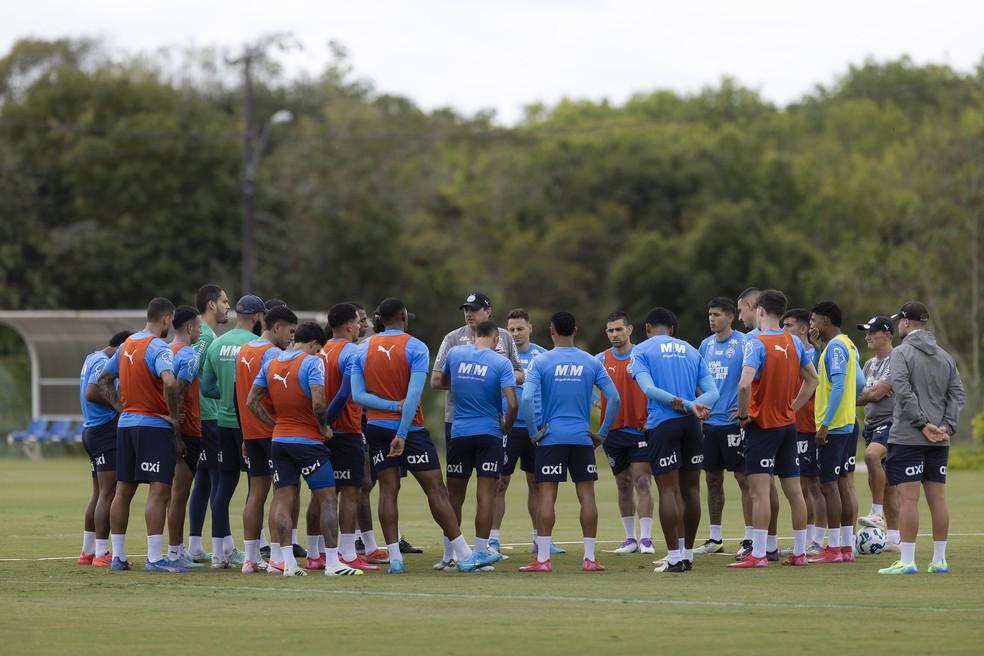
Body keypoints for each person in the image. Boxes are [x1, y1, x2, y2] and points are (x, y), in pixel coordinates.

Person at [352, 298, 477, 574]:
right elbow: (412, 396)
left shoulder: (361, 349)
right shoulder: (416, 346)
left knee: (387, 490)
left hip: (375, 427)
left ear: (379, 321)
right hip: (410, 429)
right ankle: (465, 555)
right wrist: (402, 431)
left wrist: (386, 407)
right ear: (404, 317)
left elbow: (357, 395)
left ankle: (395, 559)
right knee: (436, 489)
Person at [247, 322, 362, 576]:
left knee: (283, 499)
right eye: (318, 349)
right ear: (312, 344)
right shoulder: (312, 363)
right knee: (328, 498)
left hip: (279, 442)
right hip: (308, 443)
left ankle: (287, 563)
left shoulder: (271, 363)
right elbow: (319, 403)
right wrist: (323, 427)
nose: (319, 353)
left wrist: (274, 424)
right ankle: (332, 563)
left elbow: (251, 401)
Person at [518, 311, 620, 573]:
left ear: (551, 331)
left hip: (551, 437)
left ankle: (542, 559)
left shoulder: (541, 362)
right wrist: (603, 433)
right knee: (586, 495)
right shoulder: (590, 362)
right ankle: (589, 558)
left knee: (547, 495)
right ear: (575, 330)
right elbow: (614, 398)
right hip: (581, 437)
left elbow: (527, 399)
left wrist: (532, 432)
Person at [431, 291, 524, 565]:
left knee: (489, 491)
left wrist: (484, 374)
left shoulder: (504, 338)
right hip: (460, 421)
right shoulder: (452, 339)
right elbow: (437, 380)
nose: (469, 314)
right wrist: (477, 378)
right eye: (465, 310)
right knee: (457, 492)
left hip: (478, 424)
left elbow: (519, 372)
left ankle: (479, 549)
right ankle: (451, 554)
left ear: (488, 312)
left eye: (474, 309)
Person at [729, 290, 818, 569]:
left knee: (759, 492)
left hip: (763, 426)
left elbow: (744, 384)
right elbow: (812, 380)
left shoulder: (754, 341)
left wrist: (744, 415)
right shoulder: (793, 341)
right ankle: (801, 552)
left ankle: (757, 554)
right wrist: (792, 406)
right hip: (788, 426)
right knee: (794, 491)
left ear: (759, 310)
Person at [97, 297, 186, 572]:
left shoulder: (126, 346)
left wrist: (120, 407)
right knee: (159, 491)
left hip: (126, 426)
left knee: (123, 491)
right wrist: (173, 416)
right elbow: (170, 381)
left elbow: (103, 379)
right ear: (166, 319)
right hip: (152, 427)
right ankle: (155, 558)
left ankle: (118, 558)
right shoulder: (158, 347)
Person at [630, 308, 718, 573]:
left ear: (648, 328)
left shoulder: (642, 350)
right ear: (673, 329)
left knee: (668, 490)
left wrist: (679, 403)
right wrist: (692, 405)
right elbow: (713, 393)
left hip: (662, 424)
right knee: (692, 490)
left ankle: (674, 557)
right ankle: (688, 555)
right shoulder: (692, 351)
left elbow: (648, 389)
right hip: (692, 425)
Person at [879, 302, 964, 575]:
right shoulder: (945, 356)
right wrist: (946, 427)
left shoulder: (901, 353)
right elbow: (957, 394)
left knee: (908, 501)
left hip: (908, 435)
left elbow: (902, 391)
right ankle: (939, 560)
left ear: (905, 323)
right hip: (940, 439)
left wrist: (922, 424)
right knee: (937, 499)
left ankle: (907, 560)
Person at [201, 294, 267, 568]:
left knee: (223, 487)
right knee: (258, 487)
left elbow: (206, 388)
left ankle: (217, 555)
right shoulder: (257, 345)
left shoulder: (218, 344)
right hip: (250, 425)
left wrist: (227, 395)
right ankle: (257, 552)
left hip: (222, 423)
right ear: (257, 317)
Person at [318, 303, 380, 572]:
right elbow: (345, 394)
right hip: (345, 430)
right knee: (352, 493)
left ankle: (315, 552)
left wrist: (318, 425)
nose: (359, 326)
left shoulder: (320, 350)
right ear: (347, 325)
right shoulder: (352, 351)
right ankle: (347, 552)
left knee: (322, 494)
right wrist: (326, 422)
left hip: (322, 433)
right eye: (357, 322)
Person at [235, 305, 297, 573]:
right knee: (281, 494)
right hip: (272, 432)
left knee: (255, 493)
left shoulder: (244, 350)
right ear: (276, 328)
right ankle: (276, 557)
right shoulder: (274, 354)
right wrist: (277, 424)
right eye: (290, 332)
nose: (291, 338)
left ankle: (250, 559)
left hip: (250, 431)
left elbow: (239, 397)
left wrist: (245, 435)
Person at [492, 308, 558, 556]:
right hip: (508, 428)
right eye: (511, 330)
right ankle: (494, 538)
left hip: (538, 428)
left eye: (520, 328)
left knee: (538, 484)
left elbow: (553, 390)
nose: (516, 333)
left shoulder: (543, 356)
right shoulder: (499, 357)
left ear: (530, 328)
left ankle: (540, 539)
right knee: (500, 482)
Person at [808, 301, 865, 564]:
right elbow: (860, 382)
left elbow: (841, 386)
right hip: (848, 424)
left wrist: (826, 424)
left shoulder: (836, 348)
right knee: (840, 485)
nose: (812, 325)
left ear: (827, 321)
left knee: (828, 486)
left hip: (835, 428)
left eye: (814, 320)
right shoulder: (848, 345)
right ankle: (845, 547)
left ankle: (835, 549)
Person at [694, 298, 749, 556]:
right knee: (712, 479)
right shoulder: (704, 345)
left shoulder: (744, 343)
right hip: (709, 424)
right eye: (709, 314)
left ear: (730, 316)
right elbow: (696, 380)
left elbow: (755, 379)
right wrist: (698, 405)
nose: (711, 318)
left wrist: (746, 409)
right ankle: (715, 537)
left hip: (733, 424)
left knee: (743, 479)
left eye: (716, 314)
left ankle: (750, 538)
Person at [596, 311, 654, 555]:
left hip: (639, 429)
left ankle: (647, 539)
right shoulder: (599, 359)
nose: (614, 335)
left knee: (642, 481)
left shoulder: (643, 356)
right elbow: (586, 385)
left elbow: (656, 387)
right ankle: (630, 539)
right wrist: (596, 401)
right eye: (610, 330)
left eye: (619, 329)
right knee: (623, 484)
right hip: (613, 432)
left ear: (630, 329)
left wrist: (652, 415)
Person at [77, 330, 132, 567]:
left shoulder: (92, 356)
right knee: (108, 493)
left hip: (91, 430)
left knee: (99, 492)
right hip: (103, 431)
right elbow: (92, 392)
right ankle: (101, 553)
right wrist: (120, 407)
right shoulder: (102, 362)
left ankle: (87, 551)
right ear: (121, 348)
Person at [186, 284, 230, 564]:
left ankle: (194, 546)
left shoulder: (204, 334)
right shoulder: (205, 335)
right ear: (211, 305)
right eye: (225, 301)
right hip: (208, 417)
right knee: (220, 481)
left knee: (203, 480)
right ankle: (223, 548)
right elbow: (191, 368)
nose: (228, 306)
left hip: (201, 417)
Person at [781, 308, 827, 555]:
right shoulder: (789, 353)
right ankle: (806, 538)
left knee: (813, 484)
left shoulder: (812, 354)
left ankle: (817, 539)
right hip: (794, 427)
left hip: (810, 426)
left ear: (802, 329)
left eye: (788, 325)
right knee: (801, 483)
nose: (783, 330)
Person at [856, 315, 901, 552]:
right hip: (872, 424)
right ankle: (894, 540)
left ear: (887, 334)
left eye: (872, 331)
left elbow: (876, 393)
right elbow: (866, 395)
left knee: (872, 456)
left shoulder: (898, 359)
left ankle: (876, 514)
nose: (868, 336)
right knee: (888, 483)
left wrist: (863, 395)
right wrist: (865, 395)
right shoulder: (869, 364)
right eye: (866, 332)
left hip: (892, 422)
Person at [165, 306, 205, 569]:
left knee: (169, 493)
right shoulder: (189, 355)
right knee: (180, 494)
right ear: (189, 328)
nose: (201, 331)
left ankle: (174, 550)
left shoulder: (164, 350)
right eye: (199, 326)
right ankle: (174, 552)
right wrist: (178, 434)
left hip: (163, 428)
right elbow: (178, 393)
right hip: (187, 431)